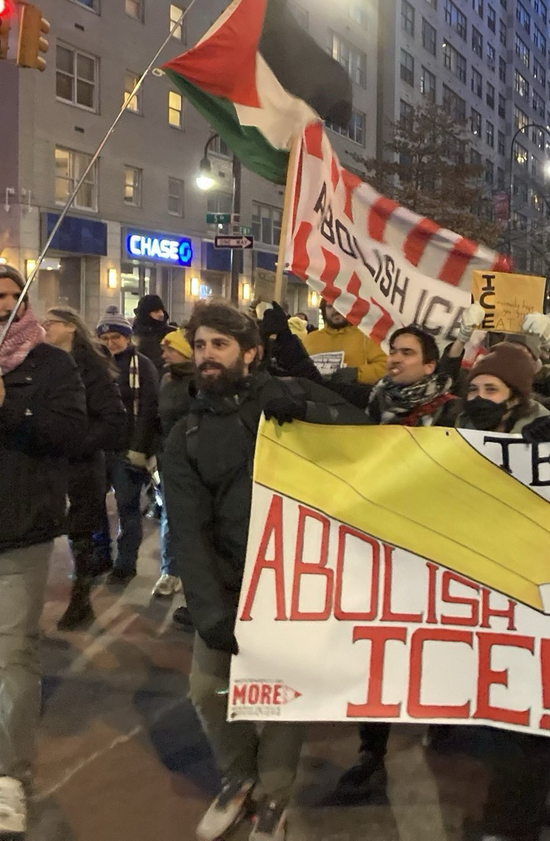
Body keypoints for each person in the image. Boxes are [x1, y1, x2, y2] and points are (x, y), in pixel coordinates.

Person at [164, 300, 368, 841]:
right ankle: (238, 777)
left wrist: (308, 412)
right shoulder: (184, 430)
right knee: (207, 689)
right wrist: (210, 610)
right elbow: (188, 528)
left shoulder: (289, 395)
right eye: (201, 345)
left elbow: (366, 432)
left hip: (290, 582)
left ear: (250, 353)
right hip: (229, 584)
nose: (207, 356)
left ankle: (274, 796)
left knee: (280, 696)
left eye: (220, 345)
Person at [0, 262, 87, 839]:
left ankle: (10, 771)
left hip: (22, 529)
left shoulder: (49, 362)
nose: (7, 304)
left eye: (15, 295)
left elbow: (73, 435)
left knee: (13, 651)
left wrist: (14, 404)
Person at [450, 342, 550, 841]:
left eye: (493, 388)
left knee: (524, 717)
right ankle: (515, 810)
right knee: (498, 712)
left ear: (518, 395)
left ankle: (510, 824)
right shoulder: (459, 429)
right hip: (479, 584)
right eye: (475, 387)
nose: (480, 395)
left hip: (534, 590)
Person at [332, 324, 462, 804]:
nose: (394, 359)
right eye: (393, 352)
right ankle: (371, 750)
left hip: (436, 545)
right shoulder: (373, 405)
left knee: (434, 637)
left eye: (406, 353)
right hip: (379, 541)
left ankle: (444, 711)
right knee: (379, 644)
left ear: (431, 365)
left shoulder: (454, 409)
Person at [41, 307, 128, 631]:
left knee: (81, 535)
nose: (44, 328)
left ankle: (80, 599)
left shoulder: (91, 367)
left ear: (71, 327)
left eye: (50, 323)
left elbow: (113, 420)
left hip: (81, 465)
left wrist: (76, 444)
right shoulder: (42, 362)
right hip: (49, 463)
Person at [95, 305, 160, 584]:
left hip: (127, 449)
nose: (111, 343)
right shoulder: (94, 364)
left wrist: (140, 448)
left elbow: (148, 409)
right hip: (98, 448)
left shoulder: (142, 365)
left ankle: (125, 562)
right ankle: (99, 556)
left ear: (127, 336)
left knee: (127, 507)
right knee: (94, 506)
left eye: (116, 337)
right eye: (105, 338)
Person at [154, 329, 197, 599]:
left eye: (170, 348)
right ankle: (170, 571)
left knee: (194, 520)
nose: (164, 353)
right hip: (168, 460)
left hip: (194, 460)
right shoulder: (167, 380)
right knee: (170, 517)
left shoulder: (202, 382)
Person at [303, 299, 387, 384]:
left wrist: (357, 374)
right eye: (330, 306)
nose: (336, 310)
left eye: (340, 304)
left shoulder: (367, 337)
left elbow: (385, 366)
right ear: (323, 310)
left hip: (354, 394)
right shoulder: (310, 339)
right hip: (314, 394)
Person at [132, 293, 176, 371]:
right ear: (145, 314)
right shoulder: (135, 336)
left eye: (161, 310)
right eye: (156, 311)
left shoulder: (172, 333)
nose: (161, 314)